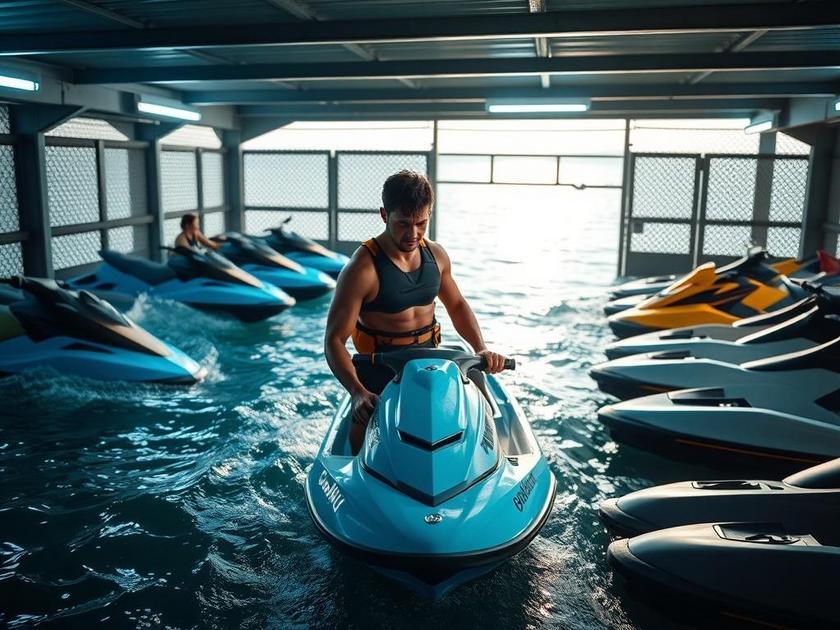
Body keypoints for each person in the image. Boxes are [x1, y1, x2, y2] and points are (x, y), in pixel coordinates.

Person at [324, 170, 508, 452]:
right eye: (403, 224)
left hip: (432, 359)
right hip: (380, 366)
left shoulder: (436, 255)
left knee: (480, 399)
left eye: (422, 223)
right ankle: (354, 462)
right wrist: (357, 392)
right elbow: (334, 340)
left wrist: (480, 348)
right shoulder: (362, 268)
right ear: (384, 215)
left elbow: (457, 305)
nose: (413, 234)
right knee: (364, 418)